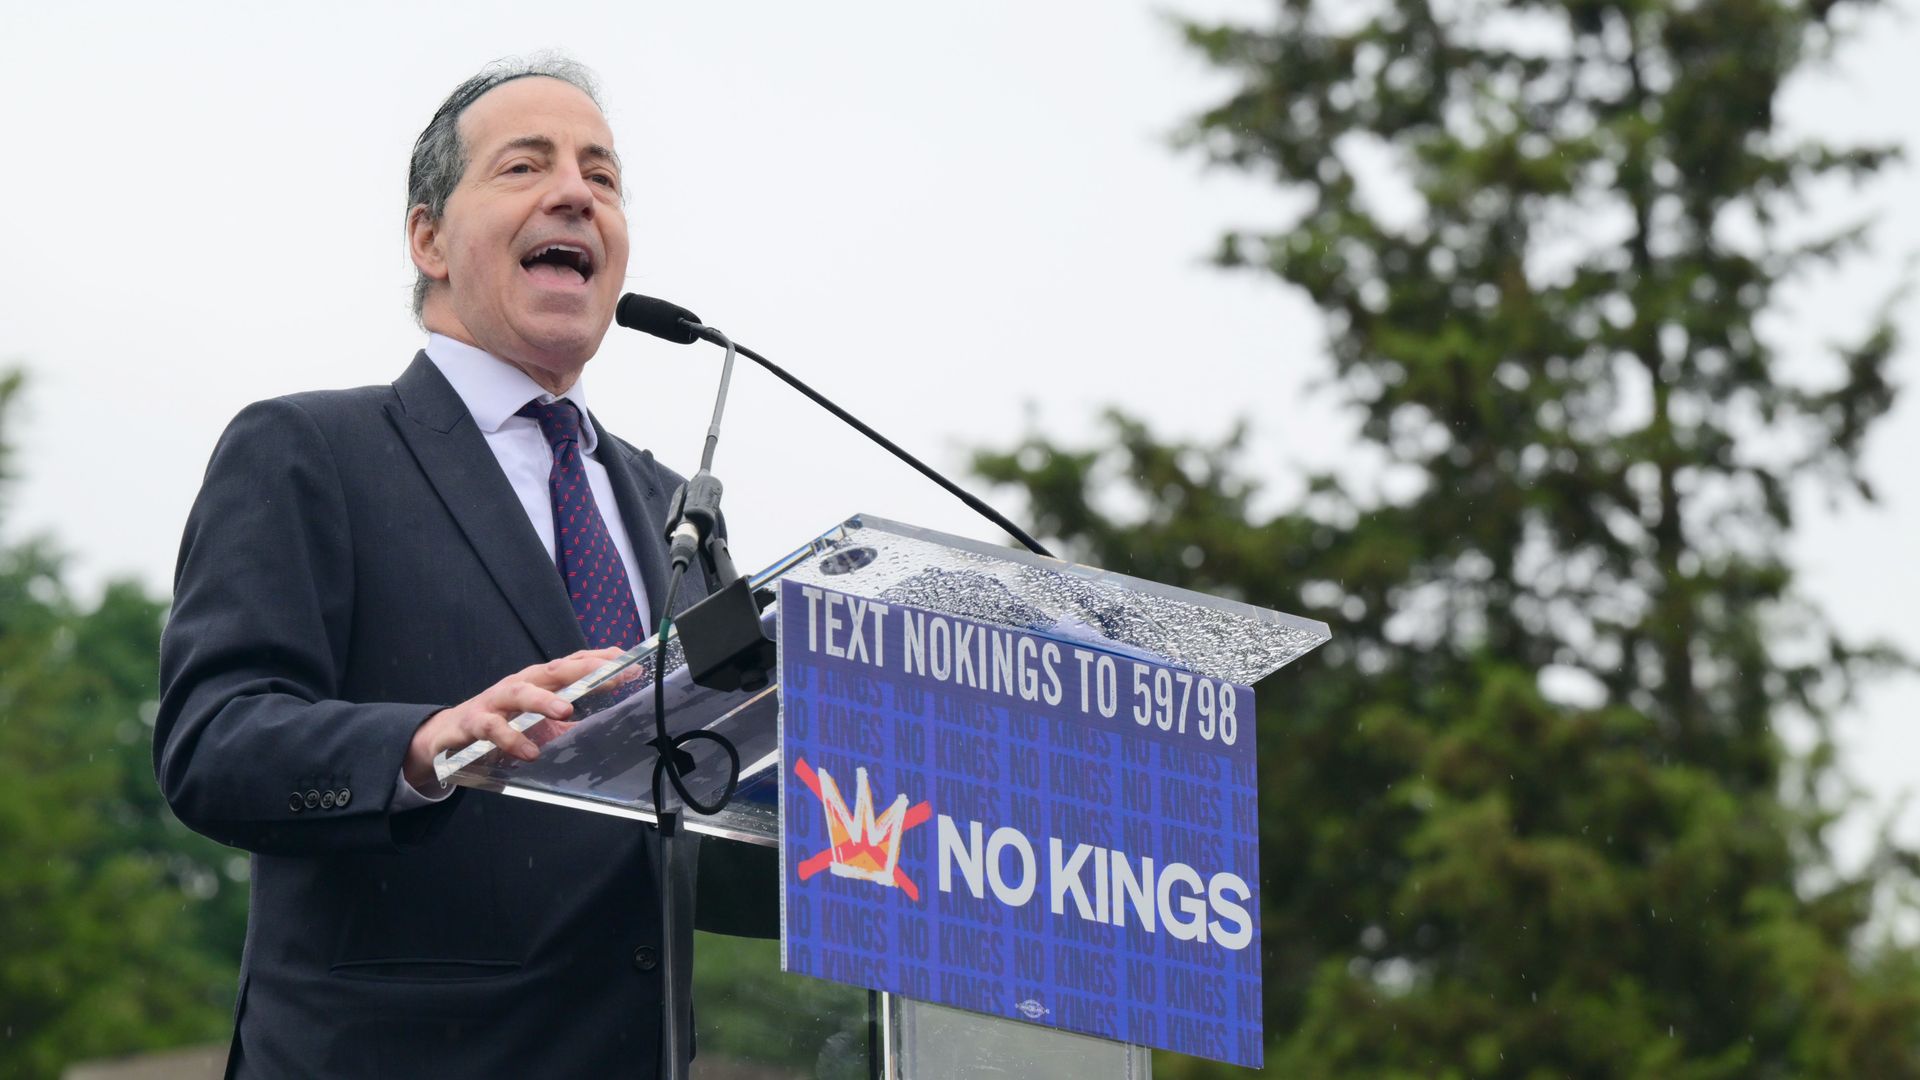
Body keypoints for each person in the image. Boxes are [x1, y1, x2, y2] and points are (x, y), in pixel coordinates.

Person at [155, 57, 765, 1077]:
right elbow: (213, 744)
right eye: (526, 166)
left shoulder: (676, 510)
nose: (576, 192)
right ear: (428, 237)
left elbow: (714, 815)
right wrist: (418, 748)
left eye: (602, 177)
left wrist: (884, 834)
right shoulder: (309, 450)